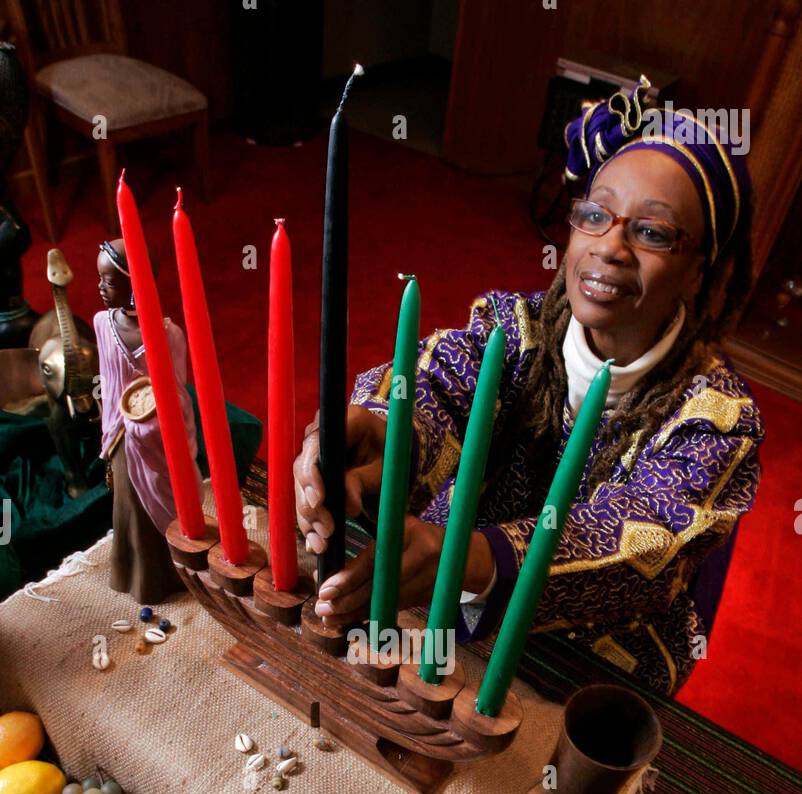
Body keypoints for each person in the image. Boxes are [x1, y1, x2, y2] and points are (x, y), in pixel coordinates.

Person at [294, 77, 764, 694]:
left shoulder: (717, 419)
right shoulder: (512, 328)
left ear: (701, 268)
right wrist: (383, 427)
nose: (611, 246)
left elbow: (635, 542)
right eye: (595, 215)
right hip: (447, 571)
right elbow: (439, 382)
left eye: (652, 232)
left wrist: (470, 558)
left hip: (590, 649)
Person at [95, 237, 202, 603]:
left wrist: (158, 426)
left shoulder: (168, 334)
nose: (99, 289)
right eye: (100, 279)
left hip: (157, 439)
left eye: (108, 282)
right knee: (130, 511)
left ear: (133, 284)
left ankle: (171, 574)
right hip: (123, 439)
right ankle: (139, 578)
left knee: (163, 505)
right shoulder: (101, 325)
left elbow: (177, 393)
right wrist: (109, 432)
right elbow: (107, 385)